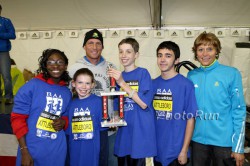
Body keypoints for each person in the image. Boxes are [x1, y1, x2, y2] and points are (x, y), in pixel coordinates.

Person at [187, 33, 246, 166]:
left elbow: (239, 111)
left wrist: (238, 147)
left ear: (217, 51)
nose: (205, 53)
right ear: (196, 53)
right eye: (200, 49)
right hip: (198, 142)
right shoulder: (191, 76)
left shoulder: (231, 73)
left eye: (210, 49)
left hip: (224, 143)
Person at [11, 49, 72, 166]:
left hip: (56, 152)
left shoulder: (66, 92)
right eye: (50, 62)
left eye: (60, 62)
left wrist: (64, 122)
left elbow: (67, 116)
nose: (55, 65)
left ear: (65, 66)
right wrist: (24, 151)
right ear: (44, 65)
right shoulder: (31, 86)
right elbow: (17, 119)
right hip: (31, 150)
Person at [68, 28, 116, 166]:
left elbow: (117, 93)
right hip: (83, 130)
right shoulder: (74, 68)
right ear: (84, 46)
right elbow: (67, 96)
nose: (94, 47)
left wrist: (115, 117)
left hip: (108, 129)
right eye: (90, 43)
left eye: (98, 43)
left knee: (107, 161)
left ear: (103, 46)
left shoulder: (111, 67)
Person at [108, 37, 157, 166]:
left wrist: (122, 83)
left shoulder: (143, 73)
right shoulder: (117, 77)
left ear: (136, 55)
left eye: (128, 51)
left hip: (141, 138)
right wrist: (115, 120)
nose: (123, 55)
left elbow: (144, 103)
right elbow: (118, 109)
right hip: (125, 137)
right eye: (121, 51)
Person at [152, 41, 197, 166]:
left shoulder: (186, 84)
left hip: (176, 153)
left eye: (168, 55)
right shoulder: (152, 84)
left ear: (176, 60)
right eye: (160, 55)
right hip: (155, 152)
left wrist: (184, 150)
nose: (162, 59)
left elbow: (190, 119)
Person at [67, 68, 106, 166]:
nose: (84, 87)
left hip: (92, 153)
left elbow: (103, 132)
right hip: (75, 151)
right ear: (73, 84)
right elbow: (68, 133)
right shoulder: (70, 104)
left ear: (93, 85)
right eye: (80, 82)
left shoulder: (98, 102)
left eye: (87, 83)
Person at [0, 4, 16, 104]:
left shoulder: (6, 21)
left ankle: (8, 97)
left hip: (3, 52)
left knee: (6, 75)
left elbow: (12, 35)